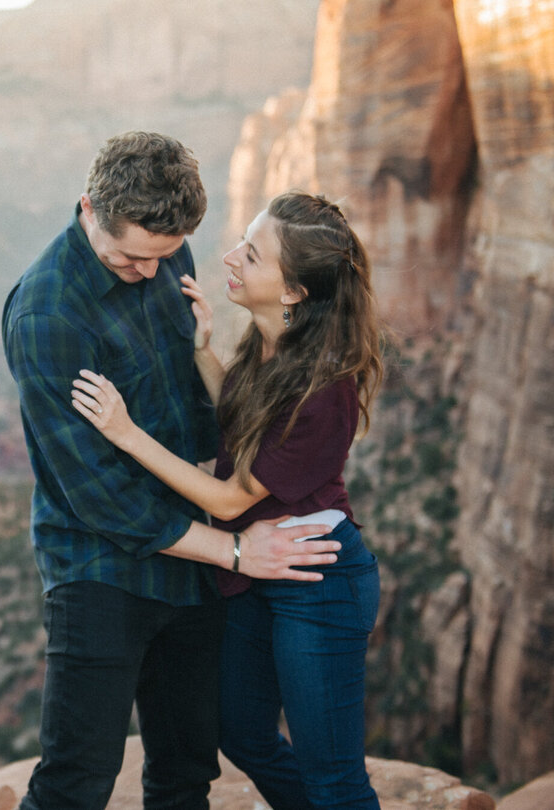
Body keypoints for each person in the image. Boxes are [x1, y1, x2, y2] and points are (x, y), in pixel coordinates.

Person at [2, 133, 342, 810]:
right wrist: (238, 550)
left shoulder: (164, 248)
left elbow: (192, 405)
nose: (149, 272)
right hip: (100, 570)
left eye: (163, 256)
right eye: (130, 257)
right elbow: (100, 499)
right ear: (89, 208)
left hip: (193, 560)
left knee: (188, 770)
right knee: (77, 779)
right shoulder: (48, 316)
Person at [71, 190, 385, 809]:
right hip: (255, 571)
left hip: (315, 577)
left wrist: (125, 432)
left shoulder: (325, 386)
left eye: (253, 254)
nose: (232, 257)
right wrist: (202, 351)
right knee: (240, 732)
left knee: (334, 776)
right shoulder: (271, 344)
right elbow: (246, 425)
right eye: (244, 239)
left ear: (293, 291)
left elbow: (232, 495)